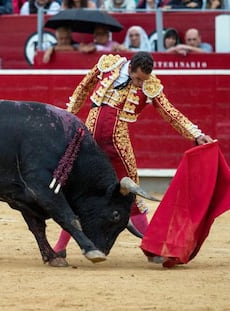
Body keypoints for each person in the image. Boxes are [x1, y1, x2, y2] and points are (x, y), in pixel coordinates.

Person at [53, 51, 214, 257]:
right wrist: (67, 117)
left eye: (143, 80)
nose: (139, 84)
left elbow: (170, 112)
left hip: (118, 143)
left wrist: (196, 134)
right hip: (90, 138)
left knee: (134, 194)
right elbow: (83, 88)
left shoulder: (150, 85)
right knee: (78, 188)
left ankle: (152, 248)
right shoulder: (108, 64)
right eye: (137, 79)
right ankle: (59, 248)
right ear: (130, 68)